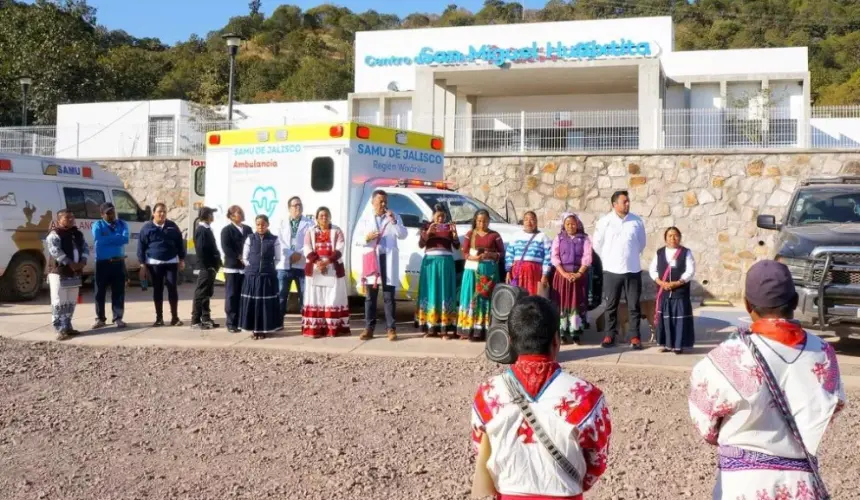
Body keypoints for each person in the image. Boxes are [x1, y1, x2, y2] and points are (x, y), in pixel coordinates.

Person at [688, 260, 847, 500]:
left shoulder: (723, 358)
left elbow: (706, 428)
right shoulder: (824, 354)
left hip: (742, 486)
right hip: (802, 486)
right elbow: (832, 409)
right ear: (795, 301)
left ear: (747, 305)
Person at [470, 296, 612, 499]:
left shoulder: (487, 393)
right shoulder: (587, 396)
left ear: (510, 341)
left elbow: (481, 449)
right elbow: (597, 460)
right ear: (556, 340)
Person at [593, 190, 646, 349]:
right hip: (611, 271)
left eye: (628, 201)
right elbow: (597, 244)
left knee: (634, 305)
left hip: (633, 270)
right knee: (611, 305)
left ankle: (634, 336)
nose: (628, 204)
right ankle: (609, 335)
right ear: (614, 204)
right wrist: (608, 260)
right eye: (625, 201)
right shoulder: (604, 221)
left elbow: (642, 243)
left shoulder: (637, 221)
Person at [356, 190, 407, 341]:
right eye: (380, 202)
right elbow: (357, 239)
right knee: (370, 296)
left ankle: (391, 328)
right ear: (373, 203)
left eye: (385, 202)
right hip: (373, 258)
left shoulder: (394, 216)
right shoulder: (365, 218)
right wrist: (367, 237)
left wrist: (394, 221)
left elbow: (403, 235)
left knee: (389, 296)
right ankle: (369, 328)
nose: (383, 205)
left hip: (389, 258)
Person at [301, 207, 350, 338]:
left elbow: (340, 248)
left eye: (326, 215)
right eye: (321, 216)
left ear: (330, 217)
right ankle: (315, 330)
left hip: (333, 269)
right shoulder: (310, 232)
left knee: (332, 299)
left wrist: (327, 262)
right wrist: (318, 263)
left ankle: (332, 329)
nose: (324, 218)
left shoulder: (337, 231)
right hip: (315, 270)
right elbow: (307, 249)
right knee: (316, 299)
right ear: (316, 218)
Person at [456, 209, 504, 342]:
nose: (482, 223)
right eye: (479, 221)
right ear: (475, 221)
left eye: (485, 221)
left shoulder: (495, 235)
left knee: (486, 296)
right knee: (471, 296)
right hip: (472, 270)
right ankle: (468, 329)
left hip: (489, 270)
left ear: (489, 221)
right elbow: (464, 253)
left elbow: (502, 253)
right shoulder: (470, 234)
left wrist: (490, 255)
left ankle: (485, 330)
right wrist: (473, 257)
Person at [415, 204, 460, 339]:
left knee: (444, 292)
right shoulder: (426, 226)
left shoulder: (448, 228)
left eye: (443, 216)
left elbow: (457, 246)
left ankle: (444, 329)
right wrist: (428, 232)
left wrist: (455, 234)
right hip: (430, 263)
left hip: (445, 263)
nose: (440, 219)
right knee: (430, 292)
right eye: (438, 216)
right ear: (433, 215)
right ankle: (430, 328)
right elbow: (421, 245)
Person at [138, 202, 186, 327]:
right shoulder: (146, 228)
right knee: (158, 290)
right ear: (153, 213)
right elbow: (141, 247)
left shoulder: (172, 226)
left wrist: (181, 259)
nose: (162, 214)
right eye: (159, 211)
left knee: (172, 289)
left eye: (164, 211)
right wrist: (142, 265)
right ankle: (159, 318)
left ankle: (174, 318)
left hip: (171, 262)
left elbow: (180, 243)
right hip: (154, 264)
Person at [649, 227, 695, 354]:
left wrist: (677, 283)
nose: (673, 238)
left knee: (678, 320)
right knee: (666, 319)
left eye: (675, 235)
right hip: (664, 292)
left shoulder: (686, 252)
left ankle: (678, 346)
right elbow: (652, 270)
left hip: (680, 293)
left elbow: (690, 271)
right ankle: (667, 345)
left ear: (680, 237)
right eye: (670, 236)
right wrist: (661, 282)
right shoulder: (659, 253)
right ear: (665, 238)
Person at [45, 209, 89, 340]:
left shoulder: (78, 234)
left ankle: (68, 326)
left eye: (72, 217)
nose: (71, 219)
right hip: (60, 273)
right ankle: (60, 329)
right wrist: (70, 263)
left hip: (74, 272)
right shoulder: (54, 234)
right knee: (59, 301)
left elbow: (85, 247)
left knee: (71, 301)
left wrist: (83, 261)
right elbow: (55, 251)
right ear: (59, 220)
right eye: (67, 218)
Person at [550, 212, 593, 345]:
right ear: (564, 225)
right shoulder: (559, 238)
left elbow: (587, 257)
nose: (570, 226)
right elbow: (555, 257)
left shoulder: (584, 239)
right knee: (562, 303)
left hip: (578, 277)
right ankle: (562, 333)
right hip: (562, 276)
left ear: (578, 224)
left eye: (573, 223)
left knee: (576, 303)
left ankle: (576, 334)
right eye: (567, 224)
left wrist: (579, 273)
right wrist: (564, 274)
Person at [240, 214, 283, 339]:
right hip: (252, 277)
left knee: (265, 305)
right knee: (253, 304)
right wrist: (252, 267)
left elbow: (278, 258)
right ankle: (254, 330)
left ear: (268, 225)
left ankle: (264, 329)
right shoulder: (250, 238)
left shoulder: (274, 239)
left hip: (267, 277)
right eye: (258, 224)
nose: (260, 227)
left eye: (263, 224)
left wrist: (267, 268)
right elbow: (245, 257)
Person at [91, 202, 129, 329]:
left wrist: (109, 237)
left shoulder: (122, 224)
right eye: (108, 213)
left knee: (118, 292)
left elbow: (125, 239)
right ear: (102, 214)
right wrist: (115, 237)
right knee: (99, 292)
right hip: (102, 263)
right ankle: (100, 318)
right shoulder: (98, 225)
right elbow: (98, 240)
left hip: (118, 263)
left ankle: (118, 318)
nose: (111, 215)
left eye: (112, 212)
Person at [277, 196, 314, 316]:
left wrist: (300, 253)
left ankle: (306, 323)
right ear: (289, 208)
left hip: (301, 264)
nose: (298, 207)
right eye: (295, 205)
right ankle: (278, 322)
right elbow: (279, 241)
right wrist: (290, 254)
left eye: (300, 205)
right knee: (281, 294)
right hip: (284, 264)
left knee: (304, 294)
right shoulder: (282, 222)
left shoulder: (310, 223)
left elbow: (311, 241)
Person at [505, 211, 552, 296]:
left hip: (534, 272)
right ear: (523, 222)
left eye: (532, 219)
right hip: (517, 271)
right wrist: (508, 270)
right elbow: (509, 253)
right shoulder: (516, 235)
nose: (529, 222)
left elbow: (548, 257)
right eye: (526, 219)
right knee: (517, 295)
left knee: (533, 296)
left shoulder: (543, 237)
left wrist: (545, 274)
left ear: (536, 221)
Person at [221, 205, 252, 333]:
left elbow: (252, 244)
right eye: (238, 212)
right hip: (232, 267)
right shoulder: (226, 230)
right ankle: (231, 322)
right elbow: (226, 248)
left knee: (243, 295)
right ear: (232, 216)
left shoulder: (248, 229)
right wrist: (239, 256)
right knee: (232, 295)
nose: (241, 214)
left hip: (245, 268)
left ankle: (241, 321)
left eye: (241, 211)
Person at [191, 206, 222, 330]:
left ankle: (206, 317)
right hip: (206, 267)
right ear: (207, 215)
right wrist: (209, 266)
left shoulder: (207, 229)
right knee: (201, 292)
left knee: (207, 293)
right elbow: (202, 250)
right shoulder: (202, 230)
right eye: (211, 214)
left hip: (210, 267)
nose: (212, 216)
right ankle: (195, 320)